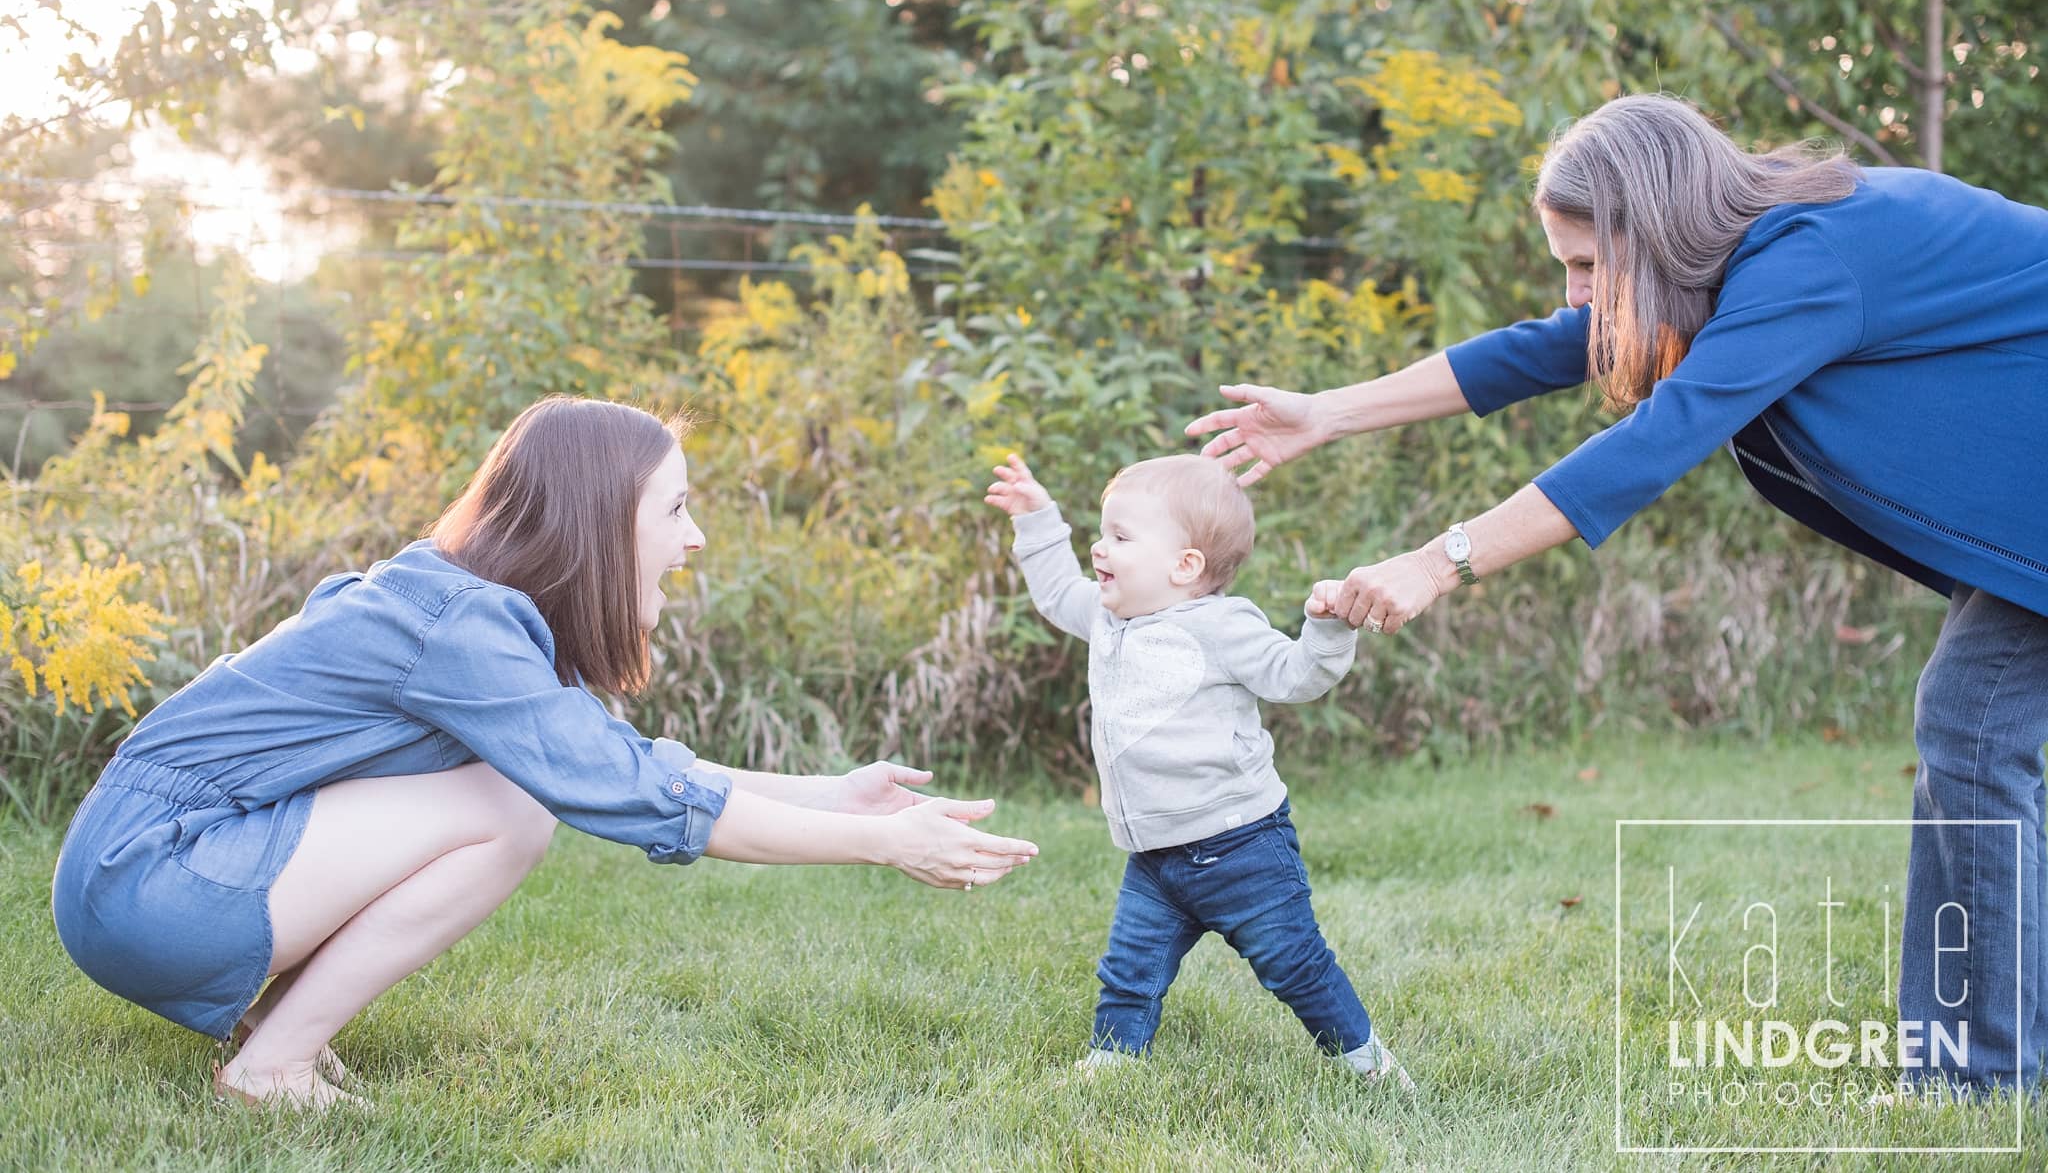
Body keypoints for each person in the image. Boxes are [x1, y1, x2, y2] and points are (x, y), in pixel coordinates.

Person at [1187, 92, 2048, 1092]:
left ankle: (1980, 1073)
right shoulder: (1749, 256)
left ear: (1655, 227)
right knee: (1971, 724)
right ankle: (1974, 1060)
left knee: (1972, 724)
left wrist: (1434, 560)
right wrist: (1325, 414)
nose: (1576, 291)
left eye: (1589, 264)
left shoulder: (1811, 258)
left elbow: (1652, 441)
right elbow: (1543, 346)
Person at [51, 395, 1039, 1109]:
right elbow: (625, 790)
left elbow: (616, 754)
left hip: (144, 876)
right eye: (675, 509)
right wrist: (880, 845)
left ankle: (274, 1032)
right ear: (599, 520)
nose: (693, 539)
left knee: (512, 784)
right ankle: (271, 1067)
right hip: (152, 884)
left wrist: (838, 796)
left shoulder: (463, 610)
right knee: (512, 808)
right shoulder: (459, 623)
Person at [983, 450, 1411, 1086]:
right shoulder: (1108, 619)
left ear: (1186, 566)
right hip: (1155, 853)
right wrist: (1039, 518)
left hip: (1240, 845)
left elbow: (1296, 677)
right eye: (1103, 532)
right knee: (1130, 965)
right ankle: (1113, 1059)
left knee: (1293, 963)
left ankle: (1368, 1064)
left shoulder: (1222, 625)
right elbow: (1052, 593)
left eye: (1121, 537)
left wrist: (1325, 629)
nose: (1101, 549)